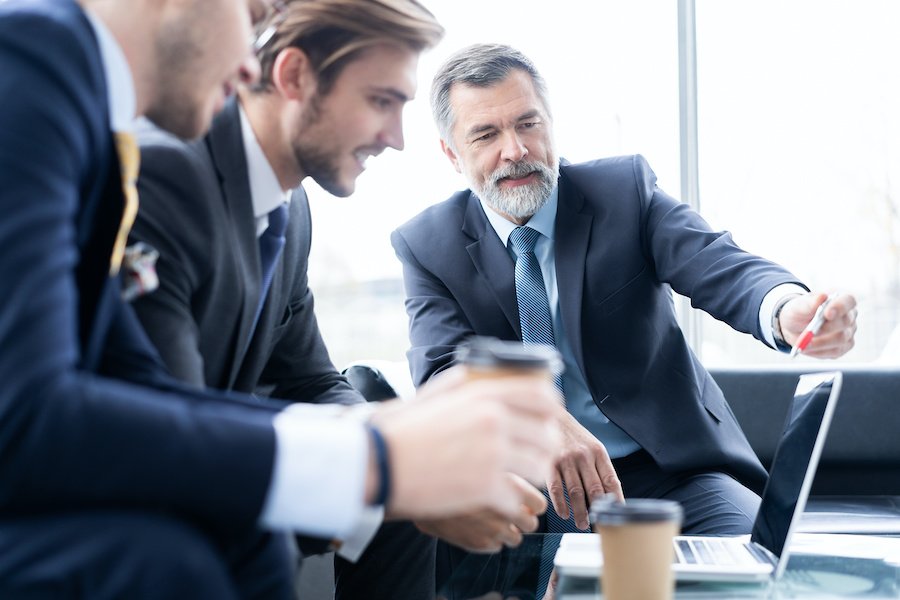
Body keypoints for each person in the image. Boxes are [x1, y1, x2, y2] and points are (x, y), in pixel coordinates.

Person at [0, 2, 564, 596]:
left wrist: (397, 442)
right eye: (253, 16)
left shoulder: (284, 210)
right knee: (180, 555)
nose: (252, 63)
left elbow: (160, 379)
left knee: (266, 535)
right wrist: (379, 463)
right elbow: (44, 409)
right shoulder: (52, 69)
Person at [392, 43, 859, 545]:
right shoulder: (427, 245)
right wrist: (544, 420)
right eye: (486, 134)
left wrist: (785, 308)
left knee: (755, 563)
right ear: (451, 154)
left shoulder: (622, 193)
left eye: (528, 124)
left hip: (668, 477)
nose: (515, 149)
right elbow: (443, 372)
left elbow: (716, 263)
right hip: (519, 488)